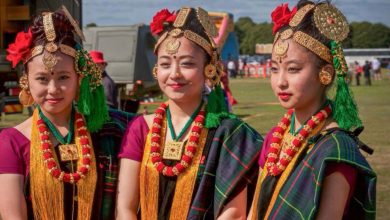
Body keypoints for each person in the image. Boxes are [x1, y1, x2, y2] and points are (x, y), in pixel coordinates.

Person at [116, 7, 263, 219]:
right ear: (157, 70)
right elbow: (125, 208)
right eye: (166, 64)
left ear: (209, 69)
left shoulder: (228, 133)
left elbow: (234, 215)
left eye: (187, 63)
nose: (174, 74)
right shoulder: (142, 128)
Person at [0, 8, 132, 219]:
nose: (53, 89)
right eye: (42, 79)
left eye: (63, 77)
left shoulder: (108, 129)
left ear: (79, 79)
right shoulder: (12, 142)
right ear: (26, 80)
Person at [249, 1, 376, 219]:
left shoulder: (336, 150)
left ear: (325, 73)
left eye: (293, 69)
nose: (280, 81)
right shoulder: (276, 137)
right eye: (274, 69)